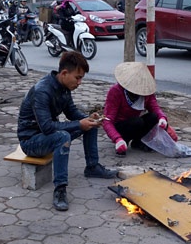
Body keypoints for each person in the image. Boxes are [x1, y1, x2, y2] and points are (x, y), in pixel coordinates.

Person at [17, 51, 118, 211]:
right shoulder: (42, 91)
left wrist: (89, 118)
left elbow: (72, 113)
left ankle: (92, 167)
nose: (80, 82)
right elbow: (48, 127)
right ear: (64, 73)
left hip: (48, 136)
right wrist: (80, 123)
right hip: (31, 142)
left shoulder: (64, 87)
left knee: (89, 124)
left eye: (81, 78)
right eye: (78, 77)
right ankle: (60, 189)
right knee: (63, 136)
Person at [102, 61, 178, 156]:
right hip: (121, 126)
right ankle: (123, 141)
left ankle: (139, 142)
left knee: (153, 117)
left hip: (136, 123)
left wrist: (163, 120)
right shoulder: (116, 91)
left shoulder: (146, 92)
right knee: (137, 122)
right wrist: (117, 139)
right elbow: (107, 120)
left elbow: (155, 108)